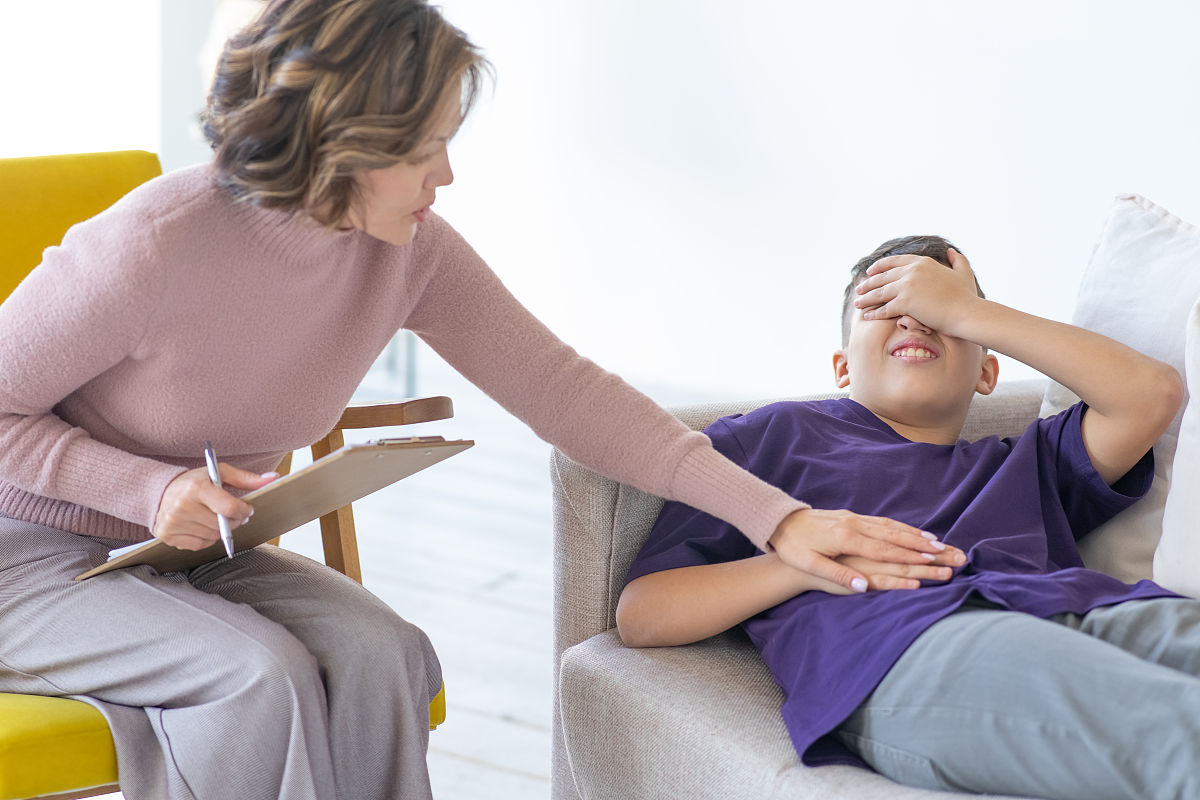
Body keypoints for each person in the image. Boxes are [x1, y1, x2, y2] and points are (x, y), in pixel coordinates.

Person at [0, 2, 950, 799]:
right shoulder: (151, 246)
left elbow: (565, 390)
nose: (445, 177)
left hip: (187, 554)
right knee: (257, 674)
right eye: (425, 150)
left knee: (387, 655)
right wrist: (146, 488)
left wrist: (780, 520)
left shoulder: (409, 250)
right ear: (339, 144)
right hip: (29, 561)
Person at [616, 235, 1197, 799]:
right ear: (842, 367)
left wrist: (969, 310)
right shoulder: (768, 438)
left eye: (934, 307)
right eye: (883, 305)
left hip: (1096, 608)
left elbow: (1151, 393)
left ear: (987, 372)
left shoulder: (1030, 462)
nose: (914, 320)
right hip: (908, 647)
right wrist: (802, 565)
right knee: (1179, 734)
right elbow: (642, 614)